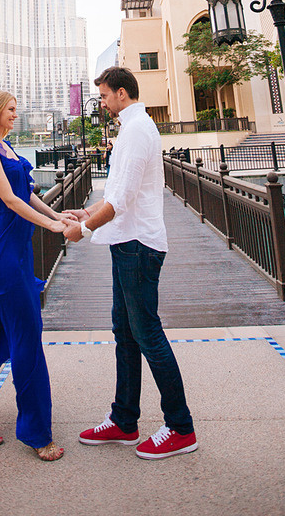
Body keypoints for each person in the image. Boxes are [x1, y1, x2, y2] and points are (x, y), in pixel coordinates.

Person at [63, 67, 197, 460]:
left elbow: (120, 202)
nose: (101, 103)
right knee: (125, 332)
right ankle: (125, 420)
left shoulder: (138, 131)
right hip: (127, 243)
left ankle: (180, 427)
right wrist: (85, 211)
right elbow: (121, 191)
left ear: (122, 93)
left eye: (104, 96)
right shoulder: (131, 129)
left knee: (148, 335)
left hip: (138, 246)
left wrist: (83, 230)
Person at [0, 90, 68, 461]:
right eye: (10, 109)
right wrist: (51, 228)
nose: (14, 115)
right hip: (1, 251)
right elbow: (9, 200)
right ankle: (37, 433)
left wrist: (58, 216)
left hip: (16, 251)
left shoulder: (8, 149)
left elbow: (28, 194)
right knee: (27, 335)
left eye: (15, 110)